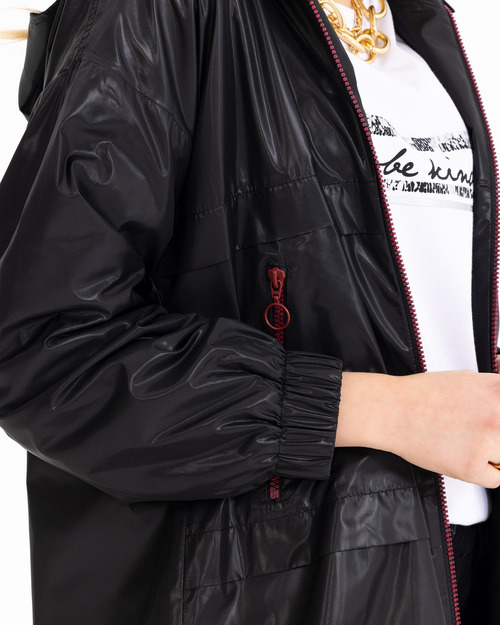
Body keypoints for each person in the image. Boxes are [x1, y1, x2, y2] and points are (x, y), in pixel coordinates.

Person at [0, 0, 498, 623]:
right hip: (266, 583)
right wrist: (381, 412)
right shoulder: (162, 14)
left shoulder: (420, 26)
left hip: (452, 557)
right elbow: (42, 346)